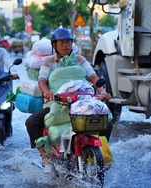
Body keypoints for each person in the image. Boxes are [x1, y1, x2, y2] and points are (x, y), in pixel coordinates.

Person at [25, 28, 112, 175]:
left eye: (68, 42)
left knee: (107, 122)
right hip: (56, 104)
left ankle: (98, 152)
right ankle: (46, 159)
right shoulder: (48, 62)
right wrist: (47, 92)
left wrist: (102, 92)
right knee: (31, 122)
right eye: (62, 42)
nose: (66, 45)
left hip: (82, 103)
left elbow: (93, 78)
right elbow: (41, 80)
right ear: (54, 45)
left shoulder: (80, 60)